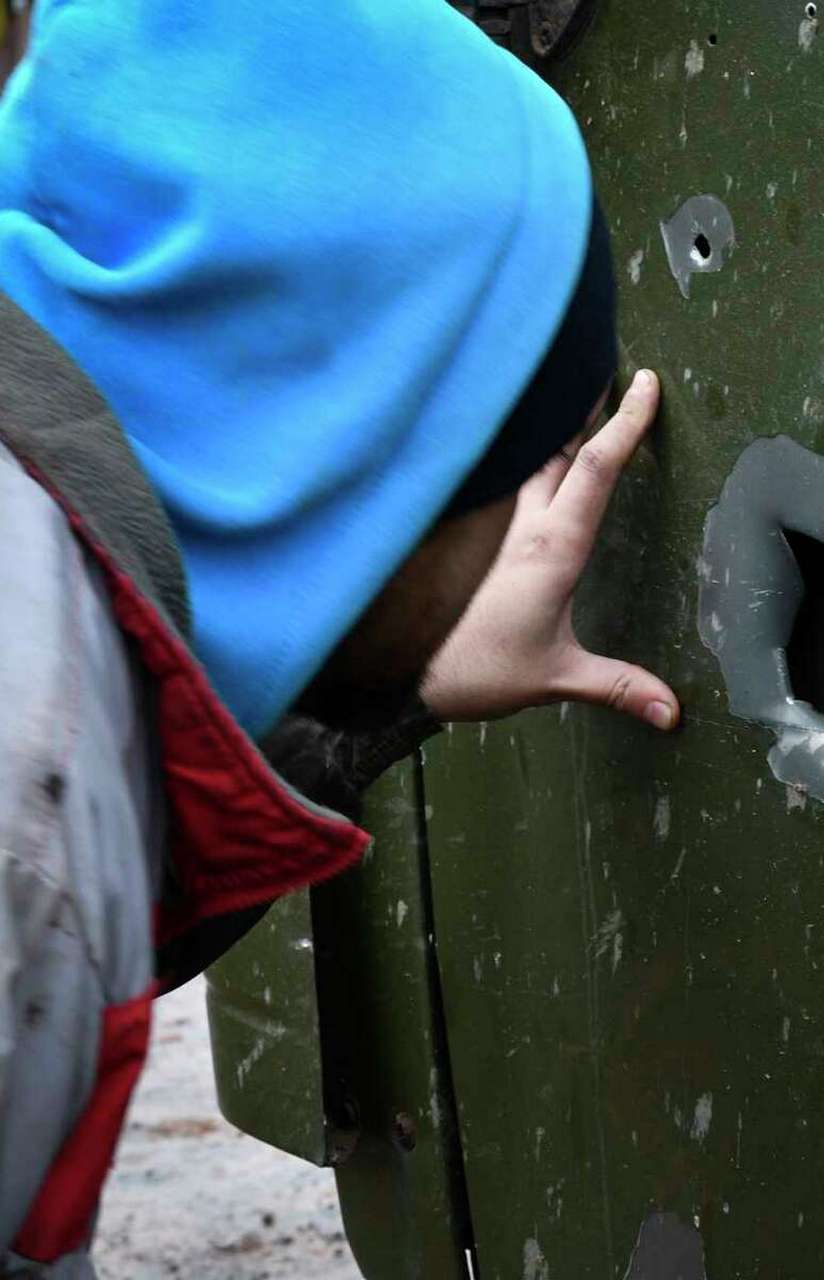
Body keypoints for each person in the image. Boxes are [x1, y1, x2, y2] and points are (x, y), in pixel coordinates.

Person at [0, 0, 677, 1271]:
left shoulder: (43, 616)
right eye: (515, 460)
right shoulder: (24, 817)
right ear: (377, 456)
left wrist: (401, 674)